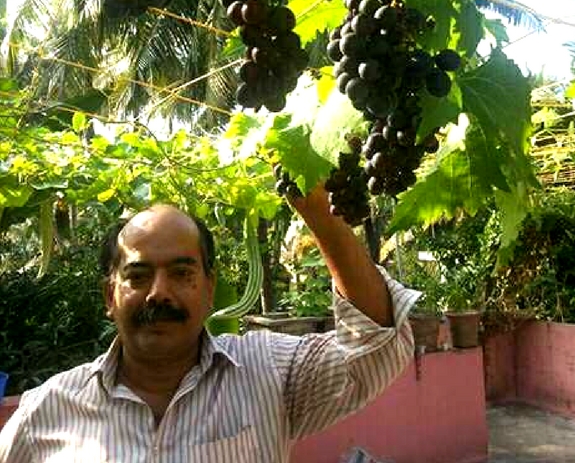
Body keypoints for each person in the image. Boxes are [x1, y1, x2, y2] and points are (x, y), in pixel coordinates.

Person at [0, 182, 420, 462]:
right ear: (110, 296)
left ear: (208, 288)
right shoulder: (44, 412)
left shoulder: (269, 373)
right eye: (138, 275)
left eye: (182, 273)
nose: (158, 293)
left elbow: (375, 344)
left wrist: (321, 215)